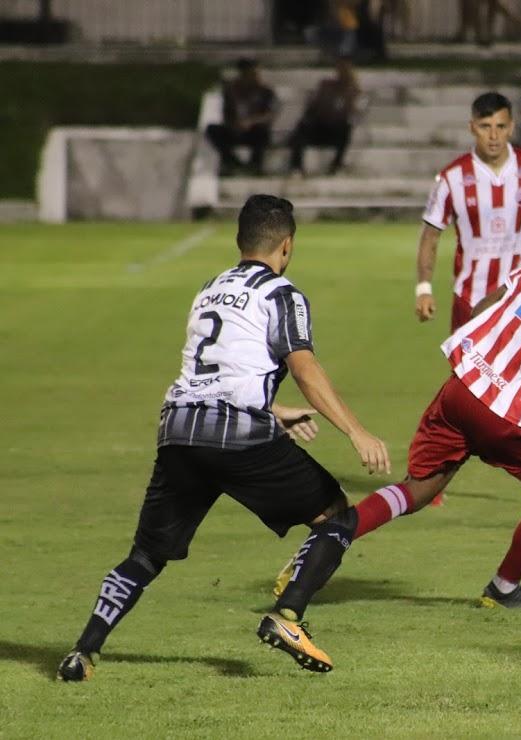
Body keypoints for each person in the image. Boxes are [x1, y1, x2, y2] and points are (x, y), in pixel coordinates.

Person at [56, 195, 392, 681]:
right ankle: (288, 614)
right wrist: (357, 432)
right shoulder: (281, 293)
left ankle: (83, 652)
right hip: (237, 435)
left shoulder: (208, 290)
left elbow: (213, 371)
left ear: (240, 240)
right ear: (287, 245)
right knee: (336, 515)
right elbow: (304, 368)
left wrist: (274, 411)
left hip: (178, 429)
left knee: (146, 555)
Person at [273, 226, 521, 609]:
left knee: (420, 488)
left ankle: (329, 537)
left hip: (461, 389)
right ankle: (504, 589)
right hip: (507, 414)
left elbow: (489, 303)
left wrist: (478, 363)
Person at [417, 91, 521, 506]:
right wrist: (424, 287)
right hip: (472, 299)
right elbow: (431, 233)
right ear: (472, 128)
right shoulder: (452, 178)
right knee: (461, 389)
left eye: (501, 126)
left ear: (512, 127)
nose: (494, 135)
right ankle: (430, 475)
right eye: (485, 127)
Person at [288, 56, 361, 177]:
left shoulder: (353, 90)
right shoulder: (326, 85)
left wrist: (350, 94)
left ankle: (336, 165)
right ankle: (296, 167)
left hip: (336, 130)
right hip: (319, 125)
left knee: (346, 128)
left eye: (346, 69)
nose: (342, 72)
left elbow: (352, 112)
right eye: (340, 69)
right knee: (302, 127)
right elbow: (314, 106)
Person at [204, 58, 278, 175]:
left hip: (254, 130)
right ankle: (231, 162)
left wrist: (251, 122)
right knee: (212, 130)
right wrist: (234, 125)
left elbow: (269, 115)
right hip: (235, 129)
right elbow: (226, 114)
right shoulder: (231, 91)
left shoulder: (265, 92)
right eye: (251, 74)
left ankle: (255, 165)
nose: (255, 77)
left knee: (262, 132)